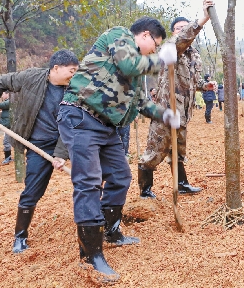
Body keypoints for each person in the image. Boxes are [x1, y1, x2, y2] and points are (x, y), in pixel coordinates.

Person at [57, 16, 180, 282]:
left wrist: (166, 115)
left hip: (106, 126)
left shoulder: (135, 73)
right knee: (89, 182)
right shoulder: (118, 36)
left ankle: (111, 231)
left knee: (120, 176)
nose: (155, 51)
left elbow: (142, 104)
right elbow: (129, 63)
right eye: (155, 45)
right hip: (81, 116)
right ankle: (91, 254)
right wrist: (162, 61)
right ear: (145, 35)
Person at [0, 50, 79, 254]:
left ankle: (100, 222)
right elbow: (2, 81)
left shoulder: (75, 91)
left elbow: (72, 126)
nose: (74, 75)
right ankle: (20, 237)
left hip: (66, 141)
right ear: (56, 68)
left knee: (85, 181)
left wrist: (60, 154)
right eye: (71, 70)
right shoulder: (32, 77)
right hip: (36, 145)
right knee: (32, 192)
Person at [138, 0, 214, 200]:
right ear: (173, 32)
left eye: (185, 27)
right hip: (166, 110)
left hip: (183, 112)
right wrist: (202, 19)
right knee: (155, 151)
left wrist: (204, 86)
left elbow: (191, 82)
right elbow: (179, 40)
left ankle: (181, 184)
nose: (183, 31)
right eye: (179, 28)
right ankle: (145, 190)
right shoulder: (170, 48)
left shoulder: (194, 56)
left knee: (178, 151)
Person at [0, 91, 12, 164]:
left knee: (6, 141)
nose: (2, 96)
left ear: (7, 94)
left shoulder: (10, 101)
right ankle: (9, 157)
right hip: (8, 126)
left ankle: (8, 158)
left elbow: (0, 105)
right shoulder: (8, 102)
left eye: (3, 94)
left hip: (9, 126)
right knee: (8, 141)